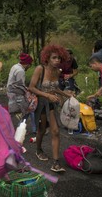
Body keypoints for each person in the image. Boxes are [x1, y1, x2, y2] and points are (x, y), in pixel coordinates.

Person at [28, 45, 71, 173]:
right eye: (54, 58)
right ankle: (39, 149)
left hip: (52, 104)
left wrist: (65, 94)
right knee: (41, 129)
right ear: (47, 58)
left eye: (59, 58)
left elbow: (54, 88)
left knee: (55, 131)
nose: (57, 60)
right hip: (41, 104)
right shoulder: (40, 69)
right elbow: (31, 87)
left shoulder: (57, 71)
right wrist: (47, 95)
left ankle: (56, 163)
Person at [7, 53, 34, 129]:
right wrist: (28, 91)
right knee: (25, 110)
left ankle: (11, 127)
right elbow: (20, 86)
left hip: (10, 91)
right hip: (16, 93)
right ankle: (20, 128)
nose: (29, 66)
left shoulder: (15, 66)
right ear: (27, 64)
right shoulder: (20, 71)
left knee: (13, 111)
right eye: (30, 64)